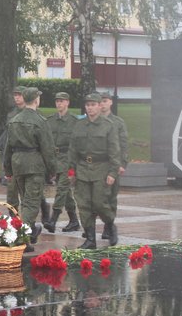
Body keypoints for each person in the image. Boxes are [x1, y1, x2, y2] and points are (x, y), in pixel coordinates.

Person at [3, 87, 56, 252]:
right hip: (34, 165)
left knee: (26, 200)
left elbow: (8, 147)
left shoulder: (14, 120)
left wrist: (8, 168)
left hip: (17, 163)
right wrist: (52, 169)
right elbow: (47, 148)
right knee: (31, 203)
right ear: (36, 100)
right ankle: (20, 239)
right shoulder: (40, 121)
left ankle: (29, 235)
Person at [68, 93, 120, 249]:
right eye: (88, 105)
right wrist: (71, 171)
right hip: (83, 169)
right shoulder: (79, 125)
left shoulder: (108, 125)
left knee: (99, 203)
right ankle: (90, 239)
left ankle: (110, 225)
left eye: (93, 105)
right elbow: (73, 149)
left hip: (101, 169)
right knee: (84, 205)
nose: (90, 108)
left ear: (99, 106)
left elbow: (114, 151)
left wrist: (112, 173)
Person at [44, 92, 79, 233]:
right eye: (57, 101)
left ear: (67, 103)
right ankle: (74, 220)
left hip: (68, 158)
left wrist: (73, 163)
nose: (59, 103)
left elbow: (77, 143)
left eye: (62, 101)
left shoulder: (74, 121)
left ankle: (53, 219)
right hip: (54, 158)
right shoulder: (50, 120)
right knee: (65, 191)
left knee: (61, 189)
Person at [99, 92, 128, 241]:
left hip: (113, 164)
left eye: (105, 101)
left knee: (111, 197)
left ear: (110, 102)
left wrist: (123, 163)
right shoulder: (94, 121)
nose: (102, 104)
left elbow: (123, 144)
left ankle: (108, 227)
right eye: (100, 101)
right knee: (99, 198)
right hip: (98, 165)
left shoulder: (118, 122)